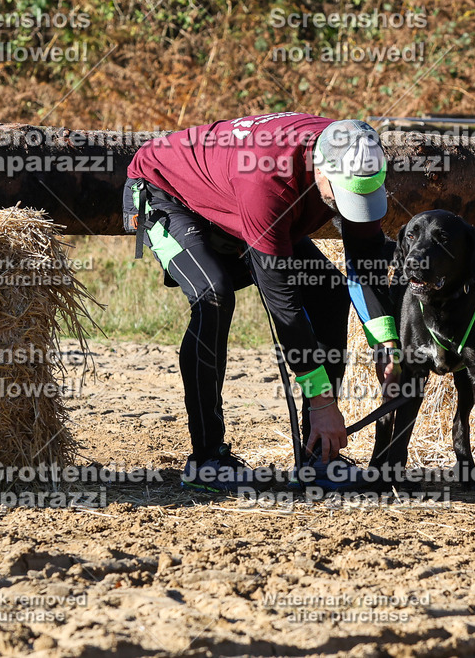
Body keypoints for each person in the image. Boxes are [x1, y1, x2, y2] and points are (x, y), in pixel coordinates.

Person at [122, 113, 400, 492]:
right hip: (165, 191)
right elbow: (284, 305)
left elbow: (363, 262)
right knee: (213, 296)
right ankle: (206, 460)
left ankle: (318, 456)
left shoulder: (355, 159)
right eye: (343, 196)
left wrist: (385, 342)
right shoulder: (267, 180)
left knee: (329, 294)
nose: (351, 206)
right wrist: (321, 402)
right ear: (320, 169)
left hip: (236, 198)